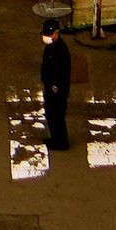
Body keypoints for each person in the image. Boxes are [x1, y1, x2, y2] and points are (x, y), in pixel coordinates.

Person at [38, 21, 73, 152]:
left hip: (57, 90)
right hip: (51, 87)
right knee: (51, 115)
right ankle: (55, 139)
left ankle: (61, 142)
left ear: (56, 33)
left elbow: (62, 72)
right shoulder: (52, 46)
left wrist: (55, 86)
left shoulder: (60, 50)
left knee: (56, 116)